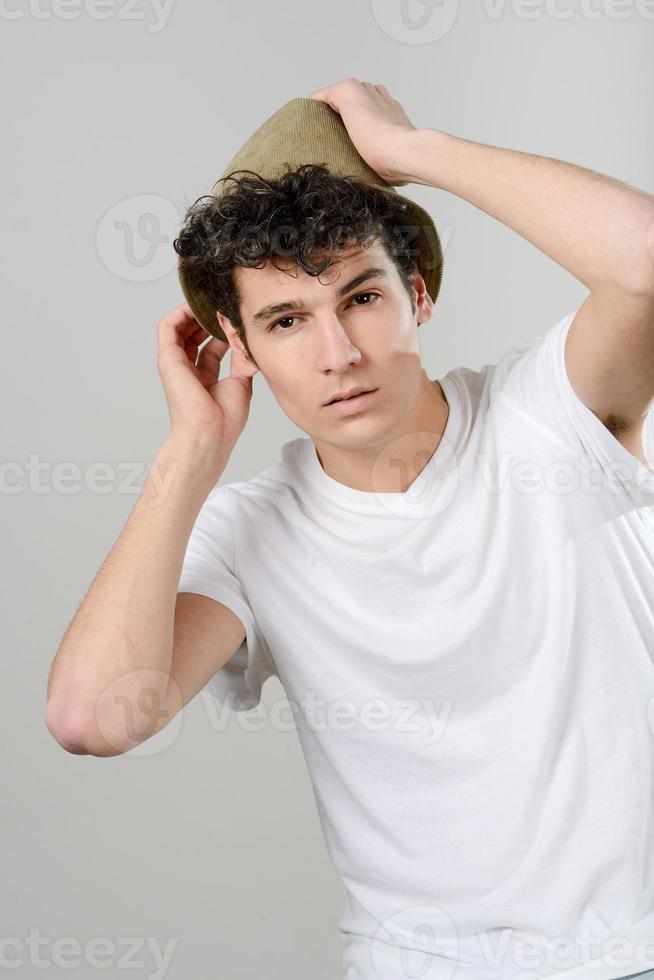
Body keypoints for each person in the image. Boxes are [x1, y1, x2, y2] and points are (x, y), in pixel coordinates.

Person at [46, 80, 654, 980]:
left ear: (418, 294)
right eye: (287, 320)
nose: (337, 354)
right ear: (239, 349)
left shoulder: (549, 417)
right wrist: (193, 450)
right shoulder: (252, 529)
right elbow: (93, 717)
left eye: (361, 298)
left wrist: (415, 152)